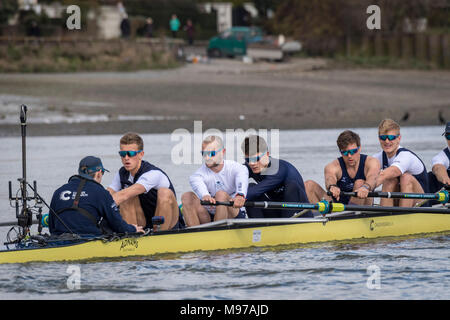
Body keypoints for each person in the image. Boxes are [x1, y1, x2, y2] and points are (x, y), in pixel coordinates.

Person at [49, 156, 143, 236]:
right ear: (98, 173)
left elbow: (51, 227)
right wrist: (133, 229)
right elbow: (118, 225)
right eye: (102, 173)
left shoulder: (58, 192)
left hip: (57, 242)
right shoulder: (101, 193)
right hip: (88, 241)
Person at [107, 132, 184, 231]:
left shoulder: (152, 174)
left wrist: (101, 207)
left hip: (169, 223)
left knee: (164, 193)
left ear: (141, 154)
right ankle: (132, 236)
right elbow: (107, 194)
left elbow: (122, 195)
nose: (126, 158)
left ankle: (160, 235)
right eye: (122, 154)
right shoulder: (121, 173)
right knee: (126, 198)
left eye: (131, 153)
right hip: (144, 222)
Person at [181, 136, 248, 227]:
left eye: (212, 153)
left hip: (233, 213)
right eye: (204, 154)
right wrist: (205, 195)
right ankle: (194, 235)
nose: (207, 157)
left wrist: (240, 195)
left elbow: (242, 178)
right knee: (187, 196)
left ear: (223, 152)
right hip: (208, 217)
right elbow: (199, 187)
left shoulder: (237, 168)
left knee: (220, 194)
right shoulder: (197, 176)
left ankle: (218, 233)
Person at [241, 135, 312, 218]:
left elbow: (255, 191)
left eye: (256, 159)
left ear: (267, 154)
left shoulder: (278, 169)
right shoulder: (250, 167)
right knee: (250, 186)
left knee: (291, 186)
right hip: (278, 212)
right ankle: (255, 227)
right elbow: (232, 177)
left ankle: (288, 226)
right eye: (248, 160)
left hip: (300, 213)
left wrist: (238, 197)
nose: (252, 164)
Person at [305, 130, 380, 205]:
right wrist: (332, 186)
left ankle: (351, 213)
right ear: (340, 152)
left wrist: (365, 187)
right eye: (345, 152)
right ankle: (317, 215)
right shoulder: (333, 166)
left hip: (362, 206)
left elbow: (372, 177)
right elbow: (330, 178)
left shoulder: (372, 162)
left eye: (353, 151)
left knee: (360, 183)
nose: (349, 156)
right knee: (309, 185)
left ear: (359, 148)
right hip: (337, 207)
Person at [373, 119, 429, 207]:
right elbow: (366, 170)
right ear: (379, 139)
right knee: (388, 180)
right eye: (383, 137)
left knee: (404, 177)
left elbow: (392, 171)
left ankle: (403, 215)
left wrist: (368, 186)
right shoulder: (378, 157)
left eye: (391, 137)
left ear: (399, 138)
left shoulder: (405, 156)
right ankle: (384, 215)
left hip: (421, 204)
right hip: (399, 202)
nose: (387, 141)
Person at [428, 122, 450, 192]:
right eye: (448, 136)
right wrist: (446, 180)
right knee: (430, 176)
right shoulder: (442, 156)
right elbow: (438, 168)